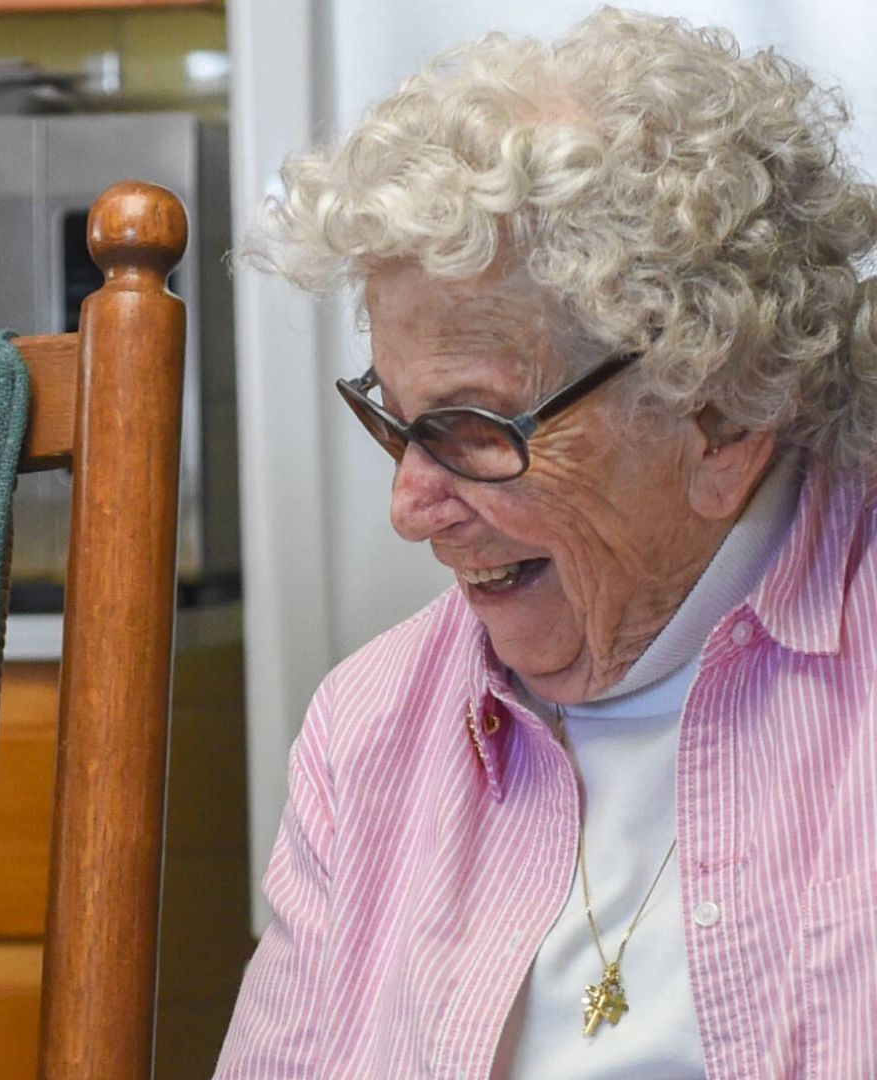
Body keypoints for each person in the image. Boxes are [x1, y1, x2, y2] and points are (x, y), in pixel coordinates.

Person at [218, 10, 877, 1076]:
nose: (411, 503)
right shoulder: (372, 732)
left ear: (723, 416)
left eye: (475, 429)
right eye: (393, 418)